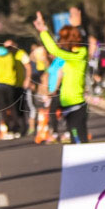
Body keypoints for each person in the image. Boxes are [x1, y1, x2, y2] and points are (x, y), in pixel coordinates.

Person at [33, 10, 88, 143]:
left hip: (76, 104)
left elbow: (54, 50)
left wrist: (43, 31)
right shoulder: (71, 54)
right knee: (75, 139)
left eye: (62, 39)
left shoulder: (79, 54)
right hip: (67, 103)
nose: (60, 42)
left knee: (79, 140)